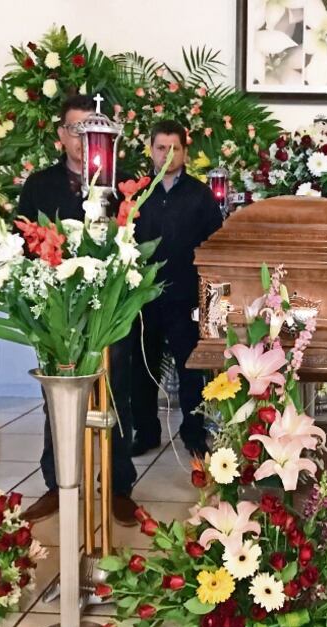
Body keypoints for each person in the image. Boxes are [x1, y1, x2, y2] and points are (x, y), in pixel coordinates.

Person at [18, 95, 141, 525]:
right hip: (59, 309)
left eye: (93, 127)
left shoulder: (119, 184)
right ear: (61, 136)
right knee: (59, 396)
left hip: (108, 308)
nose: (84, 137)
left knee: (116, 394)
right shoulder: (41, 185)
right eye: (76, 129)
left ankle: (119, 486)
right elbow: (26, 245)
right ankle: (58, 484)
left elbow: (134, 244)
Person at [130, 119, 222, 458]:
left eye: (175, 148)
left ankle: (193, 433)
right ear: (151, 150)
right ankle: (146, 431)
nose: (168, 155)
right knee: (143, 368)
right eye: (161, 148)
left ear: (185, 151)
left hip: (185, 298)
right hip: (144, 298)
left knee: (190, 370)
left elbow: (215, 243)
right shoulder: (138, 193)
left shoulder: (200, 195)